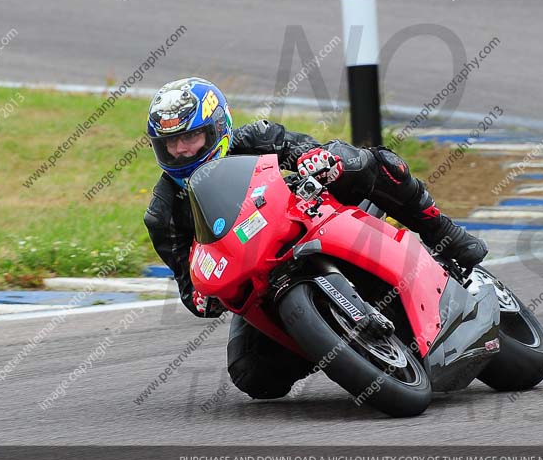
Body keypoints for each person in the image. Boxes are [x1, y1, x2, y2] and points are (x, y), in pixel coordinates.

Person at [143, 77, 487, 399]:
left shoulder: (253, 138)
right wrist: (203, 297)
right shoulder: (163, 214)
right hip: (258, 273)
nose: (182, 151)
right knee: (253, 376)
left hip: (309, 217)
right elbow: (187, 284)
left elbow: (302, 148)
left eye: (190, 138)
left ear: (218, 127)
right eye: (170, 144)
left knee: (360, 162)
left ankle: (443, 232)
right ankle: (330, 341)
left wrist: (314, 158)